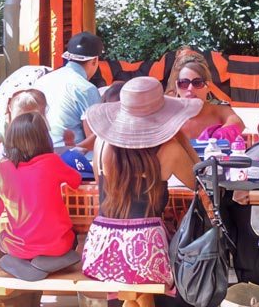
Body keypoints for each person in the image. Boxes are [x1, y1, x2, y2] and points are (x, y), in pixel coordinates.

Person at [81, 75, 202, 290]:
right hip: (146, 256)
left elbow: (103, 184)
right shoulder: (170, 151)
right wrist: (181, 138)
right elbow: (200, 184)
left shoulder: (101, 144)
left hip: (100, 253)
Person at [0, 111, 82, 282]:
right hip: (58, 245)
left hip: (17, 247)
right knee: (73, 238)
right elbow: (76, 180)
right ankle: (47, 262)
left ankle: (26, 263)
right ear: (45, 138)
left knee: (2, 239)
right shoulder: (52, 161)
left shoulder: (3, 169)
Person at [36, 31, 105, 156]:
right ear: (95, 60)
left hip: (39, 154)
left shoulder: (42, 81)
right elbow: (94, 139)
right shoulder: (86, 89)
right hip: (73, 160)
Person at [165, 52, 244, 144]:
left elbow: (237, 123)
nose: (190, 89)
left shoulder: (220, 111)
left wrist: (219, 136)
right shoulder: (167, 115)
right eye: (184, 83)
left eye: (197, 83)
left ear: (208, 87)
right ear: (177, 86)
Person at [0, 88, 49, 170]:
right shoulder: (5, 128)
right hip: (12, 169)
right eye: (20, 119)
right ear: (11, 112)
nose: (25, 125)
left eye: (32, 119)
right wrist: (0, 166)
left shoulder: (43, 127)